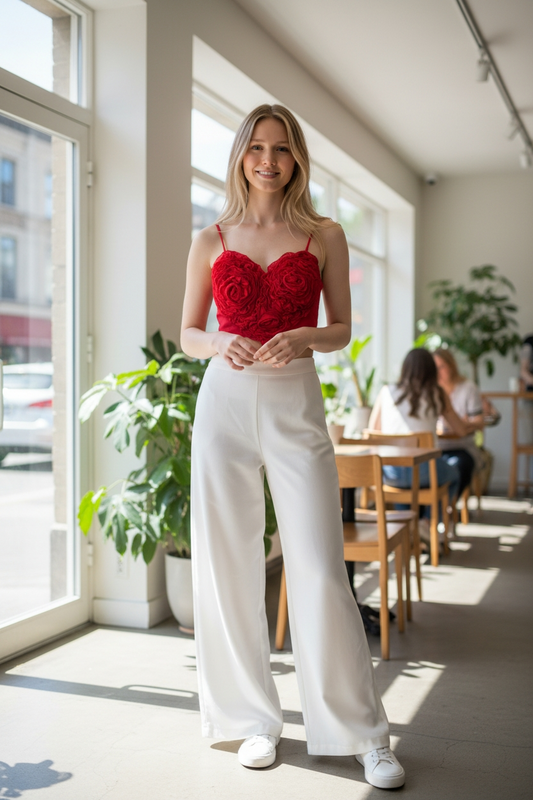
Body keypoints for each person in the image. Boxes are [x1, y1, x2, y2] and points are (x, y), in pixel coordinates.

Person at [180, 104, 405, 790]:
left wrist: (301, 337)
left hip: (295, 400)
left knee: (315, 566)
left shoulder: (324, 234)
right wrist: (219, 340)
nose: (268, 160)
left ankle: (364, 735)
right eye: (256, 148)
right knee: (228, 564)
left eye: (280, 149)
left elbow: (337, 327)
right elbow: (189, 332)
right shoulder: (210, 238)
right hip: (222, 400)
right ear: (240, 156)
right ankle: (254, 720)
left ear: (296, 158)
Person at [367, 348, 470, 524]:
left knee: (404, 486)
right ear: (432, 370)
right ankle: (428, 522)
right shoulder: (437, 393)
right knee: (454, 476)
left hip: (391, 473)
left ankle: (408, 527)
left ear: (404, 369)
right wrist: (477, 423)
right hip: (425, 472)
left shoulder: (386, 392)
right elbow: (460, 430)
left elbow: (372, 432)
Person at [433, 348, 485, 499]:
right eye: (434, 368)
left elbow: (479, 422)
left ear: (451, 366)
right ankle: (436, 510)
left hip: (462, 446)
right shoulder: (432, 391)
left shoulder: (468, 388)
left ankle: (449, 506)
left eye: (441, 367)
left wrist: (462, 425)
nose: (438, 372)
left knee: (461, 465)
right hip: (437, 447)